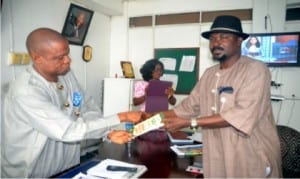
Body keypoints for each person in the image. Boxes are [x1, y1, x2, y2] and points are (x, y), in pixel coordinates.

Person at [1, 28, 142, 178]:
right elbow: (68, 131)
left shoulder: (65, 74)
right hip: (33, 172)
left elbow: (86, 107)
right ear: (37, 58)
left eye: (67, 54)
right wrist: (120, 117)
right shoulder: (26, 92)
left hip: (67, 165)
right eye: (60, 57)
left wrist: (107, 132)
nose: (68, 60)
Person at [157, 15, 282, 177]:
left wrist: (190, 122)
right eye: (213, 38)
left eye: (224, 37)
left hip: (249, 154)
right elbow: (187, 107)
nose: (216, 42)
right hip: (216, 154)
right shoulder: (209, 74)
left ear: (239, 41)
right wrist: (147, 117)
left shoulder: (255, 70)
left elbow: (240, 114)